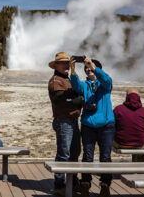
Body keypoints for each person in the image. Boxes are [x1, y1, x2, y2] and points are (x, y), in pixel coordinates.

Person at [70, 56, 115, 197]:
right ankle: (85, 183)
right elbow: (76, 84)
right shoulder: (85, 85)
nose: (89, 70)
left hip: (106, 125)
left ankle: (105, 185)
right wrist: (72, 70)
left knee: (105, 156)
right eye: (87, 68)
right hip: (88, 125)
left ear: (98, 69)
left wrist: (93, 65)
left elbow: (107, 80)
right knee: (87, 156)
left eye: (91, 68)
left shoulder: (105, 85)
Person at [48, 52, 83, 196]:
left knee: (75, 152)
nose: (65, 65)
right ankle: (59, 185)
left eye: (67, 63)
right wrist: (77, 100)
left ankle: (73, 181)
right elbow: (59, 100)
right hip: (64, 121)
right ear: (56, 65)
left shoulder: (67, 79)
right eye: (62, 63)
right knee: (64, 153)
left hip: (73, 120)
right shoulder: (56, 80)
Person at [113, 88, 144, 162]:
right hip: (139, 144)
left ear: (127, 97)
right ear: (138, 97)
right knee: (140, 144)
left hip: (120, 143)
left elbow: (112, 126)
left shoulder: (118, 109)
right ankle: (139, 168)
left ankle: (105, 163)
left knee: (106, 140)